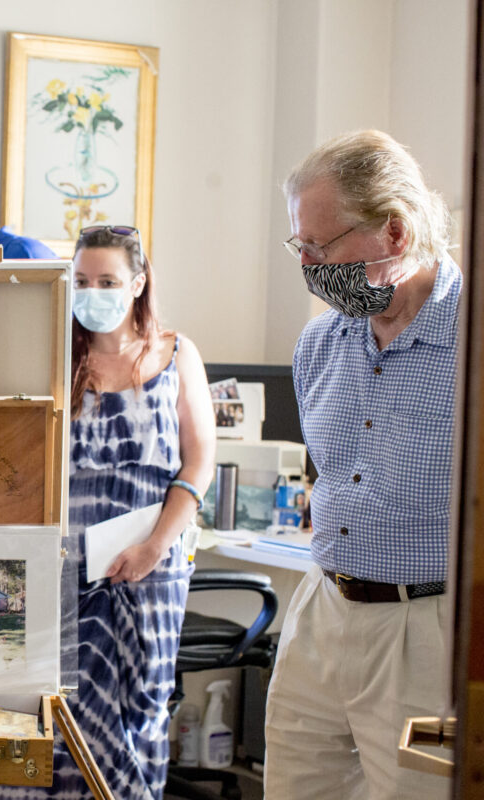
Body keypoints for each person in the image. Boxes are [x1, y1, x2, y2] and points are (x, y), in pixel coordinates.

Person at [0, 225, 215, 800]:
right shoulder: (51, 355)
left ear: (138, 283)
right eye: (81, 280)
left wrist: (154, 546)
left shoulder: (177, 354)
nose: (92, 291)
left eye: (106, 280)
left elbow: (198, 465)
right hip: (59, 569)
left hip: (149, 564)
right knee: (42, 714)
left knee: (136, 716)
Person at [265, 130, 458, 799]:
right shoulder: (319, 342)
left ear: (395, 233)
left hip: (425, 631)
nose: (310, 265)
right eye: (301, 247)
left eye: (322, 245)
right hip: (322, 610)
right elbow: (331, 474)